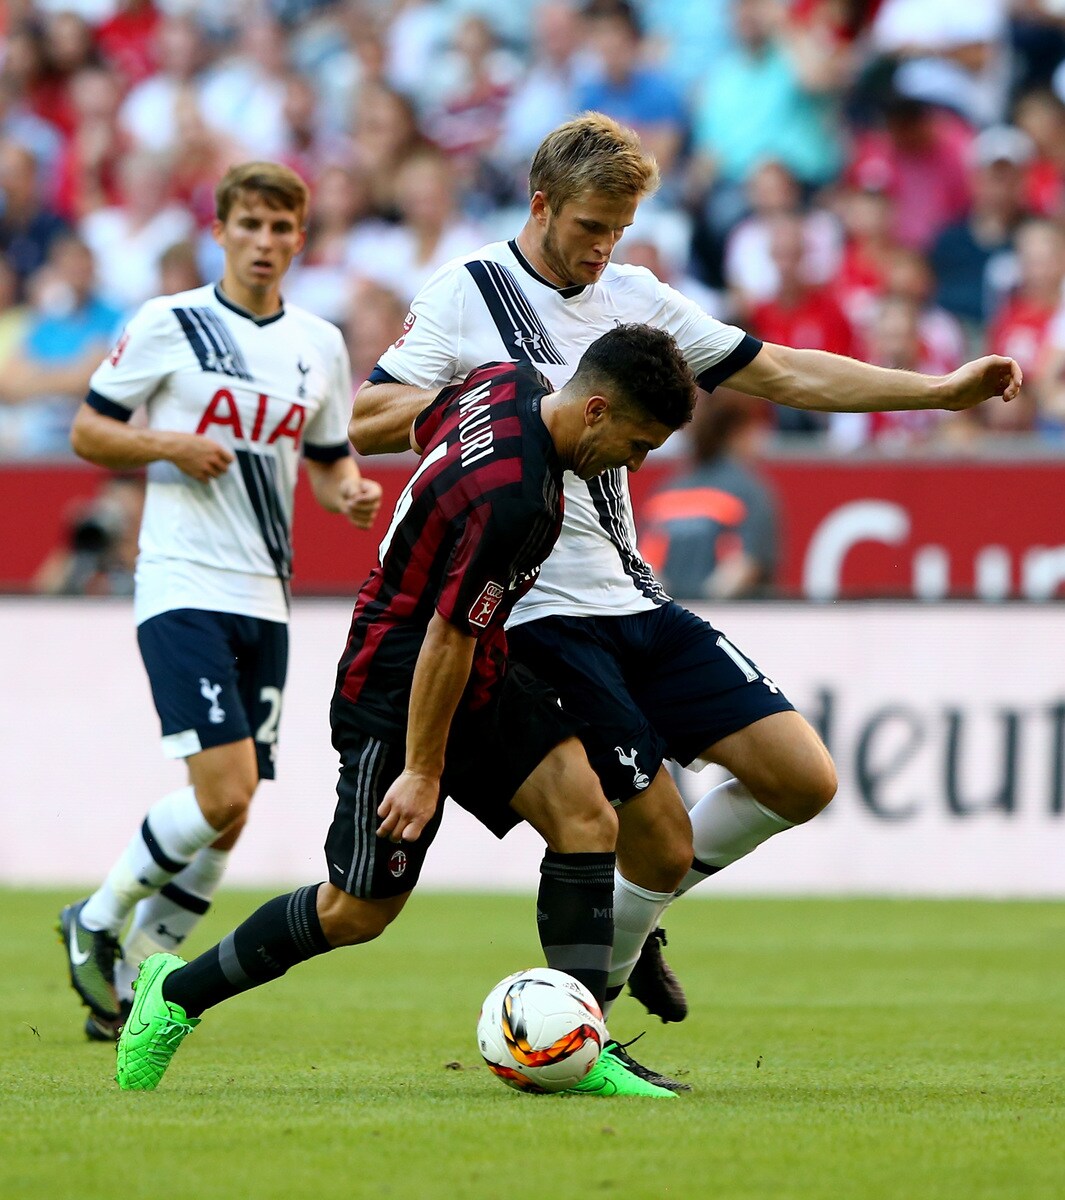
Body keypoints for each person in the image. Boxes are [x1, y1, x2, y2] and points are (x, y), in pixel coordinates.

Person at [351, 113, 1022, 1027]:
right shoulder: (468, 293)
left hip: (633, 593)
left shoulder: (633, 295)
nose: (603, 248)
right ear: (540, 205)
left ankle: (633, 918)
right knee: (655, 838)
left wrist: (936, 392)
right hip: (538, 611)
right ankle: (581, 1015)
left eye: (619, 229)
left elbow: (780, 372)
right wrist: (502, 399)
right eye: (590, 226)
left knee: (801, 780)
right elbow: (368, 418)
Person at [116, 323, 698, 1099]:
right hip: (397, 682)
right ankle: (173, 995)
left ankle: (581, 1047)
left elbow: (426, 423)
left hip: (474, 669)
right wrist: (423, 771)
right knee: (357, 912)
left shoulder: (504, 383)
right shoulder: (517, 501)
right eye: (638, 442)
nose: (636, 463)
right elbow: (445, 635)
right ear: (595, 409)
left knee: (586, 818)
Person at [58, 161, 384, 1042]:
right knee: (223, 789)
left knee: (233, 813)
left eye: (281, 228)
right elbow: (89, 430)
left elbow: (327, 463)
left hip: (265, 595)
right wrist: (170, 444)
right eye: (250, 225)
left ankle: (131, 983)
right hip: (181, 582)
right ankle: (96, 918)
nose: (265, 242)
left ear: (299, 239)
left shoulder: (318, 343)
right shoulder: (170, 324)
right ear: (221, 232)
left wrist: (350, 493)